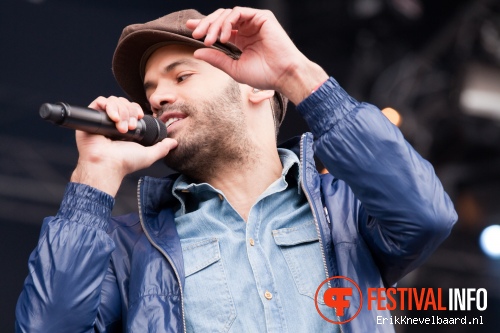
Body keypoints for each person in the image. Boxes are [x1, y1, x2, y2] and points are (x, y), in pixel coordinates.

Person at [15, 7, 457, 333]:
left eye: (181, 76)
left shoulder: (346, 212)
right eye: (151, 91)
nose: (158, 98)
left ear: (256, 87)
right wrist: (95, 174)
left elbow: (426, 216)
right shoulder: (129, 247)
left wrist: (295, 73)